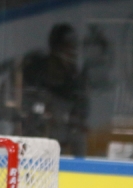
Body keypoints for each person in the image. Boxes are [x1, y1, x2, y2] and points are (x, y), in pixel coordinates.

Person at [20, 23, 88, 156]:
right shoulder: (35, 72)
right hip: (36, 143)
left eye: (74, 47)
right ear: (56, 48)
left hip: (60, 143)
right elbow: (25, 107)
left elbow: (81, 114)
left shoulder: (75, 80)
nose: (72, 52)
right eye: (68, 47)